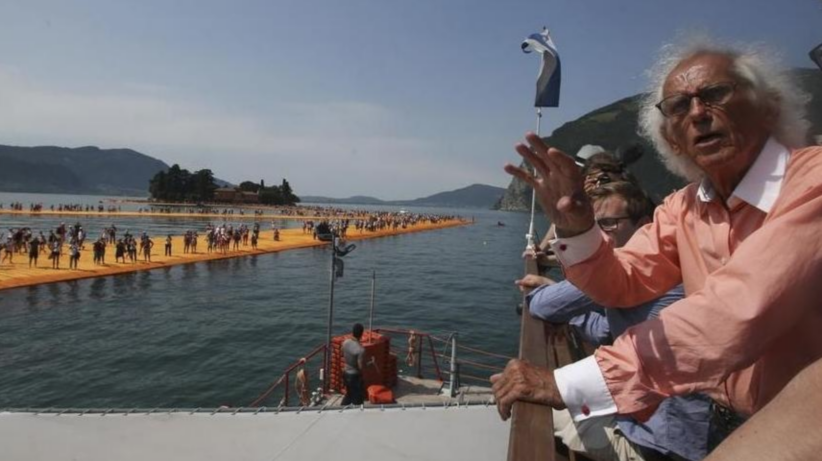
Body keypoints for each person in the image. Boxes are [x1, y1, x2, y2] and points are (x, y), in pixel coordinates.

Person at [494, 39, 821, 448]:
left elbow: (738, 310)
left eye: (716, 94)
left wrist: (569, 382)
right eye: (679, 107)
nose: (698, 113)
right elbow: (622, 281)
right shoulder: (683, 207)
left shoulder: (812, 182)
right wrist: (577, 226)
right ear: (672, 139)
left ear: (767, 106)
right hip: (720, 420)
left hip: (797, 427)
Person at [520, 181, 711, 461]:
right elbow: (604, 330)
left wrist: (548, 289)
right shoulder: (676, 270)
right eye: (596, 227)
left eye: (609, 224)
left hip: (662, 447)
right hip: (677, 431)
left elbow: (542, 305)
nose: (601, 237)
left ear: (647, 226)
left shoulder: (628, 267)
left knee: (531, 411)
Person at [341, 323, 366, 406]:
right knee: (358, 399)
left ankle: (341, 409)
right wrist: (369, 363)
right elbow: (360, 366)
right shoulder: (360, 349)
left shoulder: (345, 342)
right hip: (354, 377)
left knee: (349, 394)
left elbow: (342, 353)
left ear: (353, 332)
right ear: (362, 334)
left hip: (345, 373)